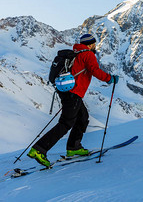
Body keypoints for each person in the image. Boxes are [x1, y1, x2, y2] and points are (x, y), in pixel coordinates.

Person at [27, 34, 119, 167]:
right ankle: (39, 149)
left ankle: (73, 148)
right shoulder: (88, 54)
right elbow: (95, 70)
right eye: (94, 43)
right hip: (73, 93)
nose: (95, 45)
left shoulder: (75, 53)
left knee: (82, 117)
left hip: (67, 91)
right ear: (90, 44)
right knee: (66, 123)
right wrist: (110, 78)